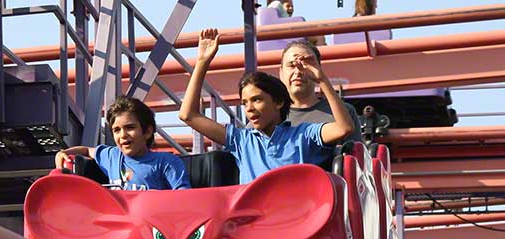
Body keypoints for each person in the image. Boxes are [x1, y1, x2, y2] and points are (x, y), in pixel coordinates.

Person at [178, 28, 353, 184]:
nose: (249, 108)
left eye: (257, 100)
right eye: (245, 103)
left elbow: (343, 128)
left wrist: (321, 80)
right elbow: (188, 115)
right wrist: (202, 62)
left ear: (278, 102)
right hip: (254, 218)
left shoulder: (303, 135)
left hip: (296, 216)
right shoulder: (242, 140)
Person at [55, 96, 191, 190]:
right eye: (116, 130)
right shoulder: (111, 156)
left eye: (130, 128)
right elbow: (86, 150)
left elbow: (183, 198)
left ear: (148, 132)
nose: (123, 135)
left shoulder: (167, 162)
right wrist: (63, 153)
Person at [280, 40, 362, 162]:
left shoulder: (343, 113)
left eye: (306, 65)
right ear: (281, 73)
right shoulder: (270, 118)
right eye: (291, 65)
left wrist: (323, 80)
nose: (298, 72)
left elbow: (356, 163)